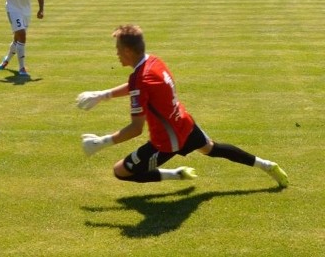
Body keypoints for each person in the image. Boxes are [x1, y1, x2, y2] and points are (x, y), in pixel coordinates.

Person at [75, 24, 289, 188]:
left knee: (120, 171)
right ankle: (266, 165)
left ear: (129, 51)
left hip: (167, 143)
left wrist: (101, 143)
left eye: (118, 49)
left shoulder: (142, 80)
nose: (117, 54)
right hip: (184, 122)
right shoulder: (153, 62)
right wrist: (104, 95)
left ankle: (175, 174)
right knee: (212, 149)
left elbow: (136, 129)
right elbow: (136, 85)